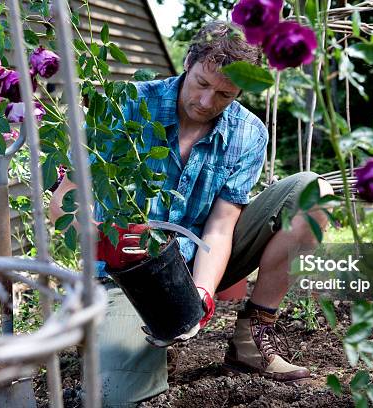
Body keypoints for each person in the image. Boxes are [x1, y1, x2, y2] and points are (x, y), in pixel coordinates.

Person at [50, 20, 334, 407]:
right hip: (128, 275)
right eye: (202, 83)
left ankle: (251, 337)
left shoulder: (247, 134)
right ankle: (110, 335)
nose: (206, 102)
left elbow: (220, 227)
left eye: (224, 95)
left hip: (201, 256)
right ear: (188, 61)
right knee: (115, 396)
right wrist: (100, 238)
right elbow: (63, 204)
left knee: (313, 192)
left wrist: (199, 296)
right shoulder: (124, 104)